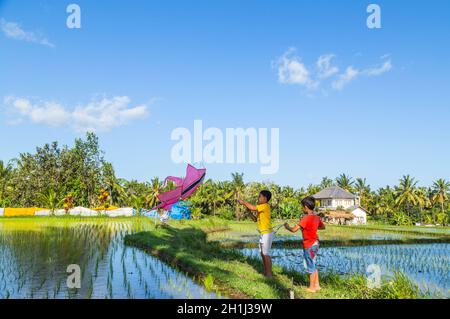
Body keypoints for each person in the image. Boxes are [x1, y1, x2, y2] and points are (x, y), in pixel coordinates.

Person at [284, 196, 325, 293]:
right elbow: (323, 227)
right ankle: (317, 285)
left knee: (310, 264)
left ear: (306, 207)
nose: (302, 208)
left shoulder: (305, 218)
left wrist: (287, 227)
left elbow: (294, 230)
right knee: (313, 263)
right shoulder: (317, 217)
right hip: (316, 243)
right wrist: (312, 227)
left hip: (309, 244)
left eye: (302, 207)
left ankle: (311, 288)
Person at [238, 190, 274, 278]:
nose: (258, 198)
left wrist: (243, 202)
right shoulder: (261, 207)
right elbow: (255, 219)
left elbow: (253, 208)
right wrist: (249, 212)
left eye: (259, 196)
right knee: (262, 253)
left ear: (265, 198)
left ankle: (269, 275)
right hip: (263, 233)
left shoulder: (265, 206)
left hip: (267, 233)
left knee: (265, 254)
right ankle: (266, 272)